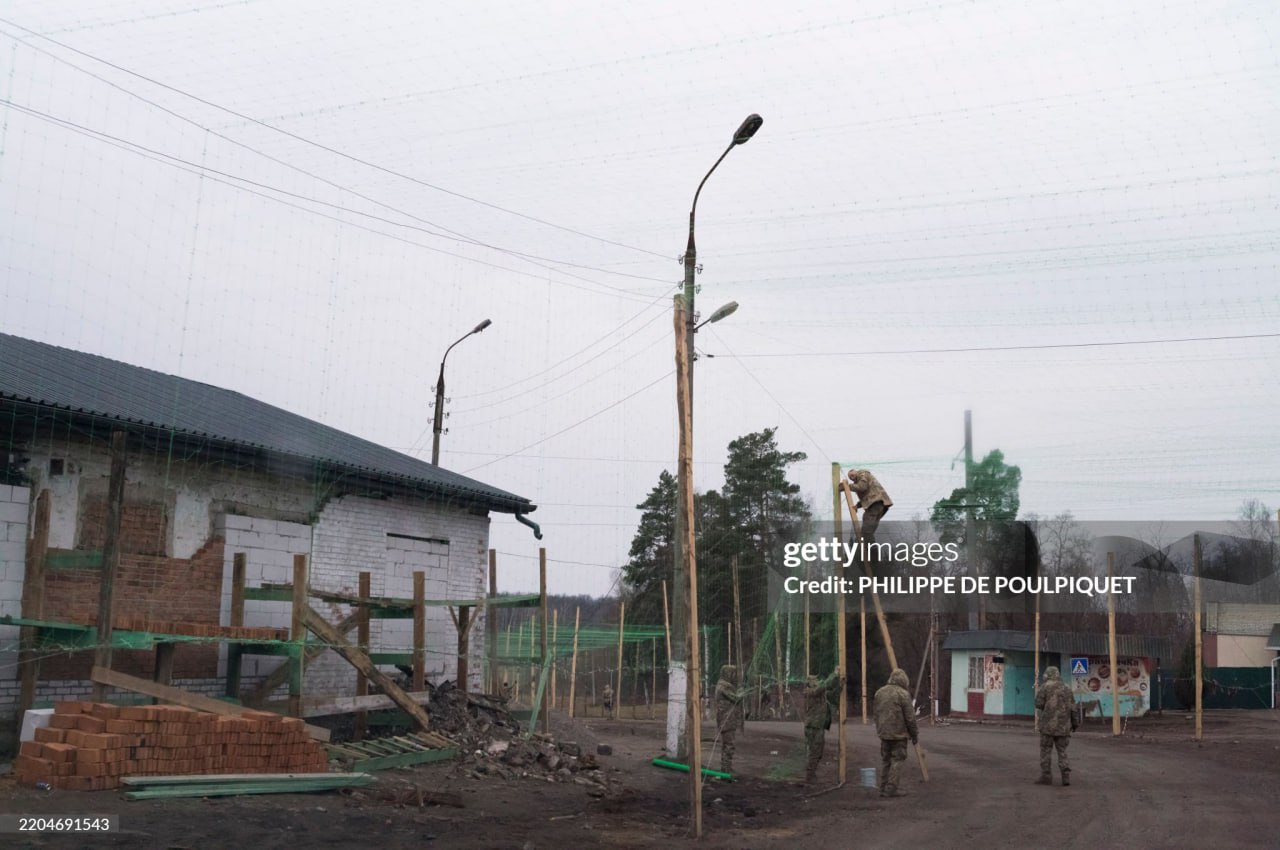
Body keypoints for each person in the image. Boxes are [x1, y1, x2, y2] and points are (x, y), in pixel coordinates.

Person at [872, 668, 919, 798]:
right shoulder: (903, 694)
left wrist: (880, 729)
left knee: (886, 760)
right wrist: (914, 734)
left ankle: (882, 787)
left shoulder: (879, 693)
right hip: (899, 734)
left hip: (884, 733)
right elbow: (910, 718)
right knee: (897, 760)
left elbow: (876, 713)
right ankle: (892, 788)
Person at [1034, 665, 1078, 786]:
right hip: (1063, 727)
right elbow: (1073, 708)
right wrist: (1075, 723)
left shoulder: (1045, 687)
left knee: (1045, 751)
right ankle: (1065, 776)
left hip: (1048, 726)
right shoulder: (1067, 688)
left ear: (1048, 675)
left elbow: (1038, 704)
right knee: (1062, 751)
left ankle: (1046, 776)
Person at [802, 670, 845, 784]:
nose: (817, 681)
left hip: (818, 726)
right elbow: (823, 687)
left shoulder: (820, 693)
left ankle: (811, 774)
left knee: (818, 752)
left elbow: (832, 695)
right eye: (815, 680)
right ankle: (809, 776)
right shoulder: (809, 692)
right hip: (813, 727)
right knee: (814, 752)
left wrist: (840, 685)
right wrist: (834, 674)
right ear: (810, 683)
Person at [846, 469, 893, 544]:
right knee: (869, 532)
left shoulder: (862, 474)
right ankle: (867, 548)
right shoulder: (860, 480)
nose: (851, 478)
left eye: (852, 475)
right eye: (850, 477)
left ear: (856, 472)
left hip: (875, 505)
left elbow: (862, 487)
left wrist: (847, 487)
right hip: (880, 506)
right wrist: (857, 506)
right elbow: (867, 497)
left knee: (866, 531)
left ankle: (872, 550)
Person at [714, 664, 746, 774]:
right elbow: (736, 698)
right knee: (729, 745)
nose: (734, 676)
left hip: (726, 720)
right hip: (727, 720)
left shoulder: (723, 685)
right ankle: (726, 770)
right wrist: (742, 691)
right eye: (732, 674)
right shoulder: (724, 686)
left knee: (727, 745)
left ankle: (726, 768)